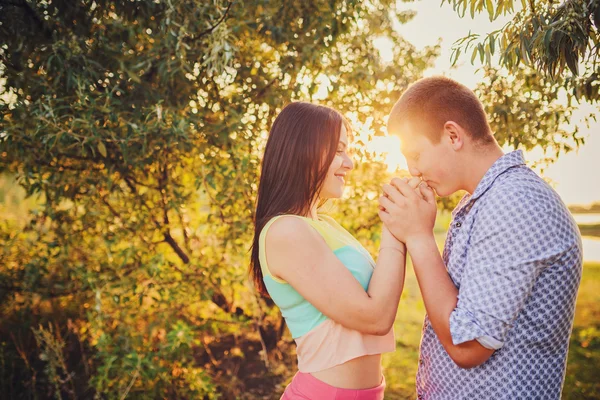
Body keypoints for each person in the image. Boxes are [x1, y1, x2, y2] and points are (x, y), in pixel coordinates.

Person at [380, 76, 583, 399]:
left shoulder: (515, 202)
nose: (412, 170)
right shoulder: (483, 201)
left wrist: (419, 237)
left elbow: (469, 344)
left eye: (416, 155)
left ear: (452, 135)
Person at [249, 101, 409, 399]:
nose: (349, 162)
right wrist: (396, 227)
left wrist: (401, 222)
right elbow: (375, 317)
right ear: (301, 150)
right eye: (338, 151)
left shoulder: (325, 224)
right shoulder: (285, 231)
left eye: (347, 151)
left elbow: (378, 298)